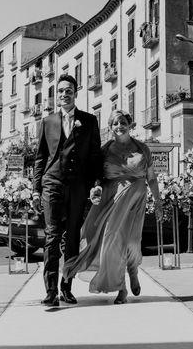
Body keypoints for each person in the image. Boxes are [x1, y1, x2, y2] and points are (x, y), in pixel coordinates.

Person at [63, 109, 162, 304]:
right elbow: (97, 176)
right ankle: (121, 286)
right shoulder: (105, 150)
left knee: (132, 241)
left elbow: (151, 178)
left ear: (130, 124)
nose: (119, 126)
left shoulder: (143, 149)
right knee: (112, 239)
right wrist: (96, 188)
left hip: (135, 200)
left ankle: (133, 270)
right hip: (112, 199)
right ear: (110, 127)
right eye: (115, 123)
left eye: (123, 122)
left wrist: (158, 202)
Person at [32, 74, 103, 306]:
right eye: (61, 90)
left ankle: (67, 286)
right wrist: (35, 189)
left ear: (75, 92)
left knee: (72, 238)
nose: (64, 94)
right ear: (57, 94)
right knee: (52, 237)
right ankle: (50, 291)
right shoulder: (47, 122)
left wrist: (96, 184)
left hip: (78, 186)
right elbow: (40, 158)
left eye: (68, 90)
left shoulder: (89, 121)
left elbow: (95, 157)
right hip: (52, 184)